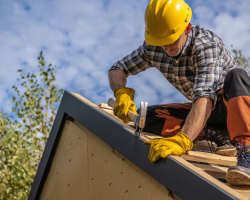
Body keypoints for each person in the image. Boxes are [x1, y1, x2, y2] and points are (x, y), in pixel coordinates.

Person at [108, 0, 250, 186]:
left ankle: (247, 152)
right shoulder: (154, 47)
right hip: (206, 111)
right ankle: (217, 134)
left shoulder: (206, 46)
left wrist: (183, 140)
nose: (166, 48)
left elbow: (204, 97)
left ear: (187, 28)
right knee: (146, 117)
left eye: (171, 40)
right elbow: (118, 68)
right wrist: (121, 93)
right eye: (161, 42)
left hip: (231, 105)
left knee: (237, 76)